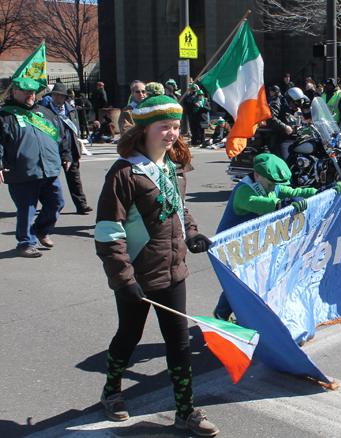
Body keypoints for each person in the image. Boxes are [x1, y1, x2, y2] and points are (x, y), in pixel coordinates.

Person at [94, 83, 219, 437]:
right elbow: (108, 231)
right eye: (164, 126)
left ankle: (185, 411)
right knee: (129, 336)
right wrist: (123, 278)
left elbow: (180, 210)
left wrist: (192, 233)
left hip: (173, 270)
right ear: (145, 128)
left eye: (176, 127)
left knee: (178, 342)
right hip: (137, 274)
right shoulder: (124, 173)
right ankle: (111, 391)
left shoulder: (172, 170)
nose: (171, 133)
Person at [213, 153, 341, 322]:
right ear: (257, 175)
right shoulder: (244, 190)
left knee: (250, 281)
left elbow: (295, 191)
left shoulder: (270, 185)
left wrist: (320, 191)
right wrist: (282, 204)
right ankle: (222, 315)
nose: (274, 188)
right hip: (232, 247)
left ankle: (237, 316)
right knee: (239, 283)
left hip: (253, 242)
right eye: (271, 183)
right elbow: (256, 203)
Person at [0, 78, 72, 257]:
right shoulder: (4, 116)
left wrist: (66, 154)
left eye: (33, 92)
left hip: (49, 169)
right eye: (26, 92)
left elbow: (61, 136)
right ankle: (25, 243)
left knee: (57, 203)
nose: (31, 95)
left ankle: (40, 230)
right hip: (22, 171)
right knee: (27, 209)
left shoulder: (45, 113)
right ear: (14, 91)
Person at [43, 82, 93, 215]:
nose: (55, 98)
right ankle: (49, 206)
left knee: (75, 179)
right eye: (54, 95)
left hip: (71, 149)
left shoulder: (71, 110)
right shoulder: (45, 111)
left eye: (59, 95)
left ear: (64, 97)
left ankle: (81, 205)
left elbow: (76, 128)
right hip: (52, 151)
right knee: (50, 181)